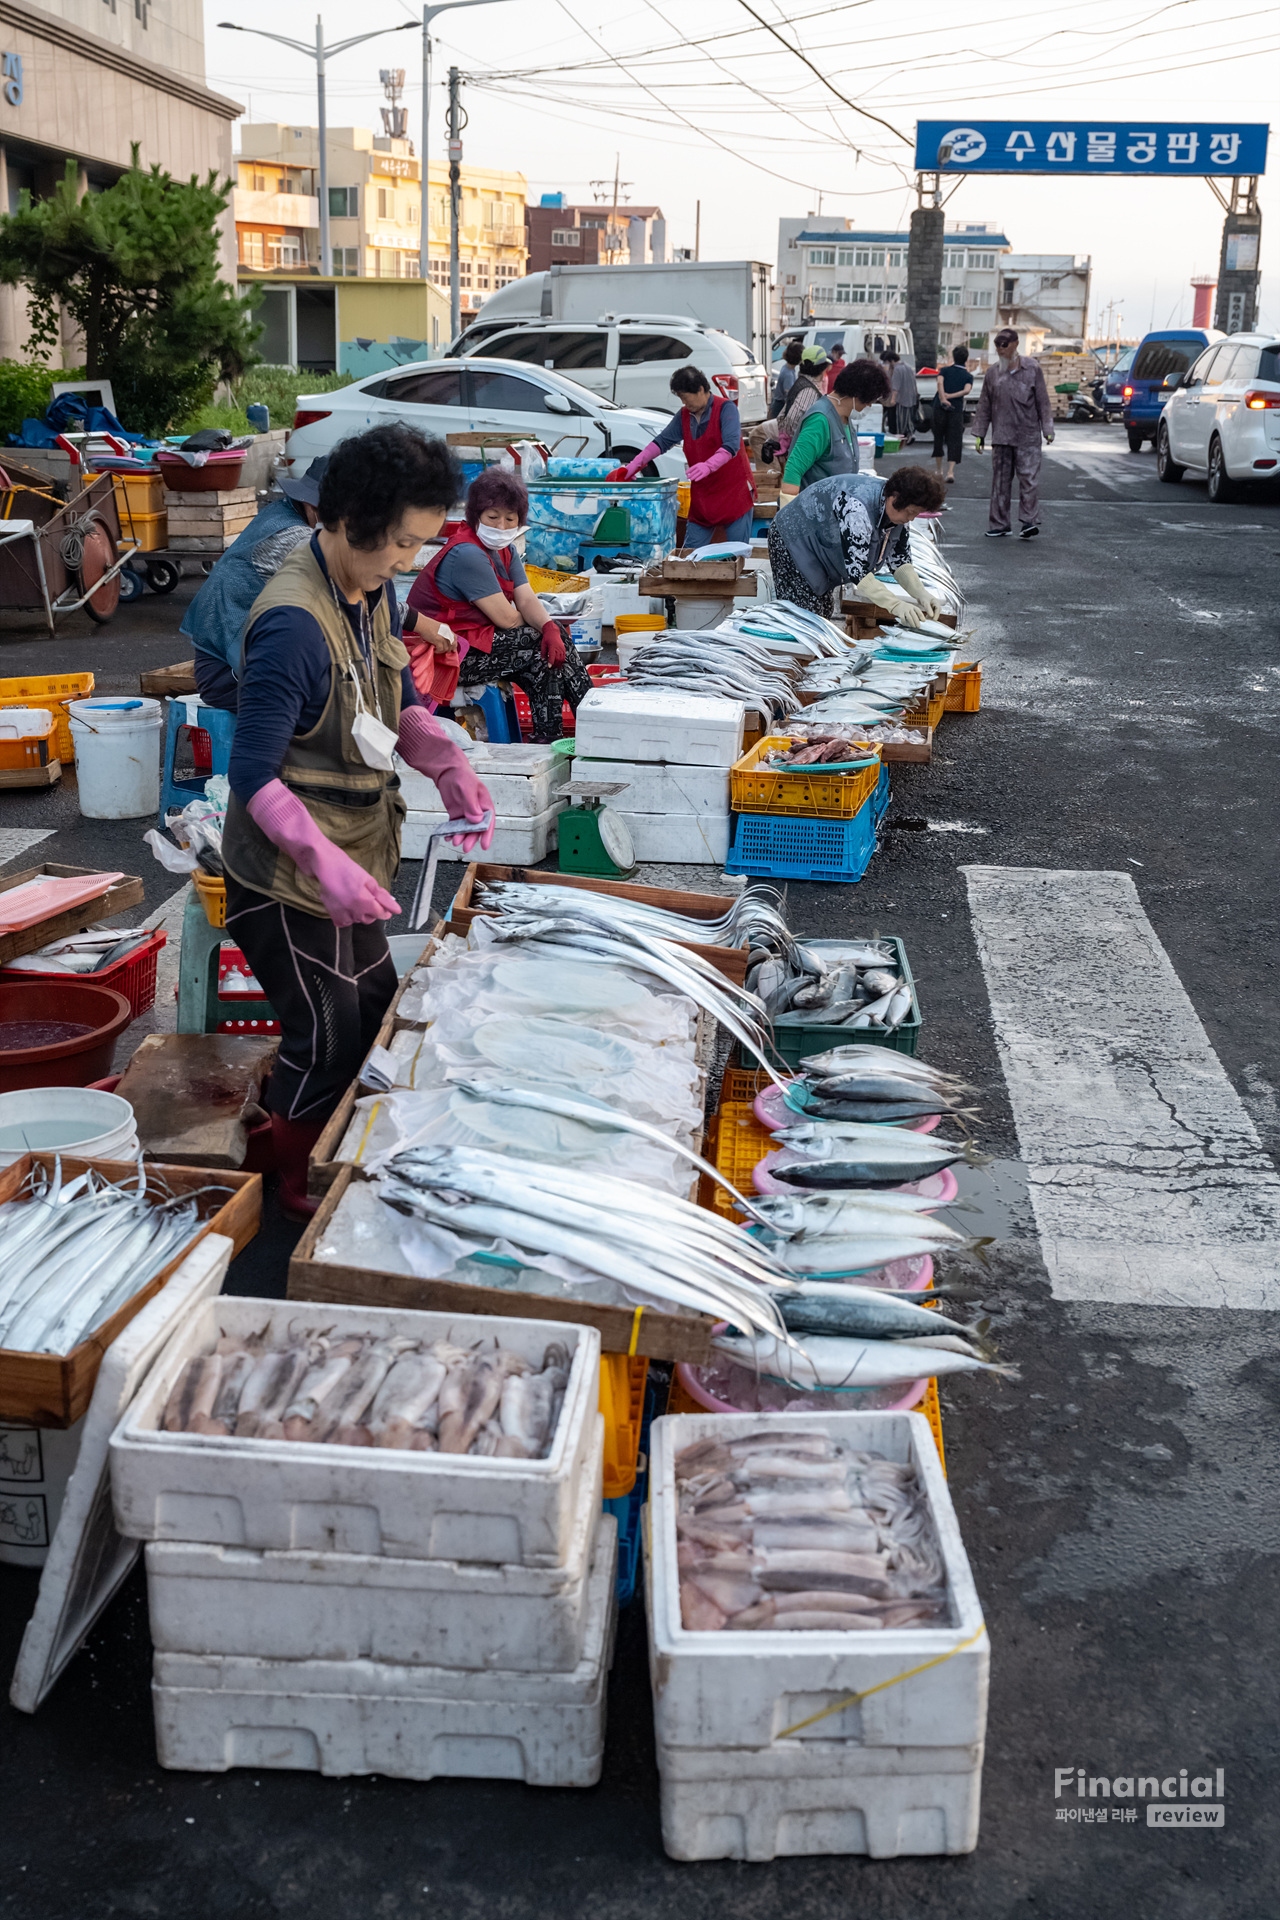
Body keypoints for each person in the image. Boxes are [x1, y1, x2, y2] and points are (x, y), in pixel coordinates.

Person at [222, 424, 494, 1218]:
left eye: (421, 542)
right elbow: (250, 774)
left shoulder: (372, 586)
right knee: (329, 1033)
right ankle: (294, 1187)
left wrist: (444, 760)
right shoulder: (290, 627)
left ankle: (302, 1127)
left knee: (373, 1003)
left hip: (355, 852)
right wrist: (319, 861)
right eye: (402, 543)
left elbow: (395, 701)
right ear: (348, 521)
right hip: (284, 875)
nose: (409, 560)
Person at [406, 467, 591, 739]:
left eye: (510, 518)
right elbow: (507, 619)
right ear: (476, 516)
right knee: (535, 639)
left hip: (471, 645)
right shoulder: (467, 554)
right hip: (439, 656)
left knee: (546, 657)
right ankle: (594, 722)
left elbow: (526, 599)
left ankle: (550, 741)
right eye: (492, 517)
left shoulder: (506, 550)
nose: (501, 526)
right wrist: (545, 628)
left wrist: (549, 626)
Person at [182, 458, 327, 711]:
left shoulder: (281, 512)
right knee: (328, 700)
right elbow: (347, 591)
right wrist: (419, 622)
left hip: (229, 662)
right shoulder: (293, 537)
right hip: (225, 675)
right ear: (313, 503)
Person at [767, 465, 947, 620]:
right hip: (792, 537)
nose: (911, 518)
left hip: (820, 543)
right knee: (804, 616)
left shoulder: (897, 511)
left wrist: (921, 594)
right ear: (894, 498)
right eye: (910, 512)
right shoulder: (857, 508)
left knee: (822, 610)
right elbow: (857, 572)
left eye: (916, 514)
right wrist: (895, 605)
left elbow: (900, 561)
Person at [608, 365, 754, 547]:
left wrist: (708, 465)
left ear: (701, 389)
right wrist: (634, 465)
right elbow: (662, 442)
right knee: (690, 555)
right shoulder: (684, 415)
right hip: (704, 499)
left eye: (686, 397)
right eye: (681, 399)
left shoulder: (726, 409)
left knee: (737, 553)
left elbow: (731, 445)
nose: (685, 404)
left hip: (734, 493)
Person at [972, 327, 1055, 538]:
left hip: (1027, 436)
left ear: (1015, 344)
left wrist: (1048, 429)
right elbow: (984, 405)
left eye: (1004, 344)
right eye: (997, 345)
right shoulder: (992, 373)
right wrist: (980, 434)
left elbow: (1043, 401)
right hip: (1001, 436)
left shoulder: (1032, 369)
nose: (1000, 349)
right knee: (1000, 483)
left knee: (1029, 480)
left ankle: (1028, 521)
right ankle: (999, 523)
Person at [779, 360, 891, 498]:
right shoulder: (820, 421)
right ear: (857, 395)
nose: (868, 406)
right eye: (869, 401)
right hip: (816, 510)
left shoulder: (845, 417)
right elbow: (793, 471)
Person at [774, 344, 832, 456]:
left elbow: (782, 416)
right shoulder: (809, 391)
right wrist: (797, 439)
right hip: (799, 448)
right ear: (822, 369)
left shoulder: (801, 382)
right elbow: (791, 418)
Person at [932, 344, 974, 485]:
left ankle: (939, 470)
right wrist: (951, 396)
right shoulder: (968, 376)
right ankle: (950, 471)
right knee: (954, 439)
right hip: (956, 409)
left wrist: (943, 398)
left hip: (939, 407)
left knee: (939, 437)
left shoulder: (944, 370)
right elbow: (967, 391)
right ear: (966, 359)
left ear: (954, 357)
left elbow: (939, 384)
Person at [768, 339, 804, 419]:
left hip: (777, 404)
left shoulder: (786, 368)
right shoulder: (788, 374)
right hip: (780, 407)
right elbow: (789, 396)